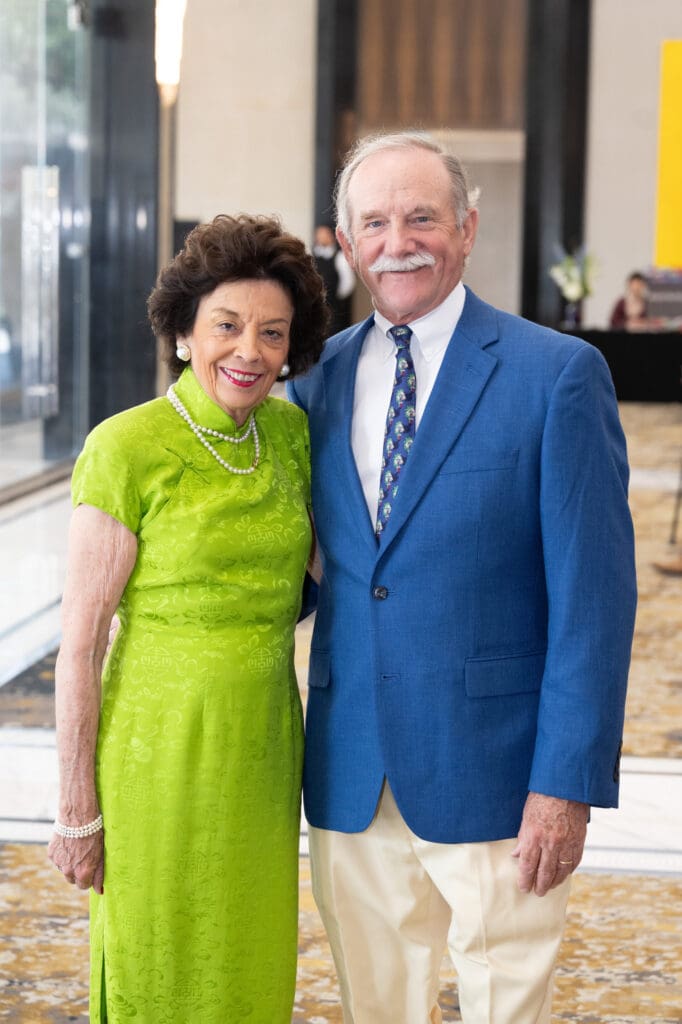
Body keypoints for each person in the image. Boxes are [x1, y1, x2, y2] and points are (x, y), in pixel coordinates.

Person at [288, 131, 637, 1023]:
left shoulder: (557, 375)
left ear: (468, 227)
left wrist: (566, 783)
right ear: (346, 241)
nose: (398, 240)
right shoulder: (312, 384)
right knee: (376, 1008)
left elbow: (594, 605)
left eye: (422, 217)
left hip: (500, 775)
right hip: (350, 769)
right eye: (374, 222)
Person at [47, 214, 328, 1023]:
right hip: (155, 755)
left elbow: (341, 571)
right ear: (182, 333)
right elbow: (80, 645)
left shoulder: (290, 434)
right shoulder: (125, 446)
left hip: (264, 750)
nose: (249, 352)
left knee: (246, 965)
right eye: (228, 326)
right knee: (157, 960)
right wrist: (76, 810)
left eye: (272, 334)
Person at [312, 222, 356, 334]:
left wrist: (335, 299)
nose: (321, 237)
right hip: (316, 308)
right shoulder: (312, 257)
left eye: (324, 234)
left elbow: (348, 283)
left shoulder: (339, 257)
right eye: (319, 234)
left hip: (335, 308)